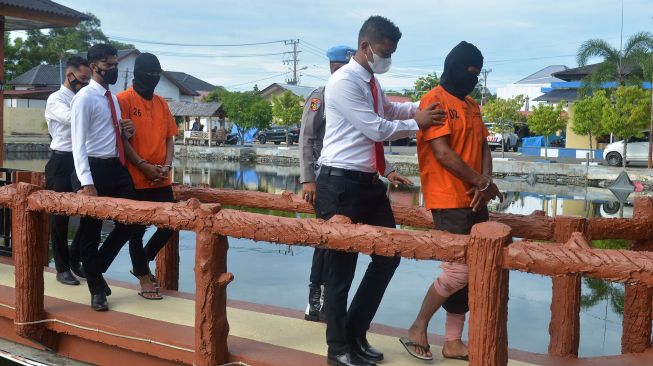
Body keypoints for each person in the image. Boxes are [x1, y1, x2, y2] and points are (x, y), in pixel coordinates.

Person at [315, 16, 446, 366]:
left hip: (369, 184)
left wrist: (420, 107)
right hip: (339, 183)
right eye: (384, 52)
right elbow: (376, 128)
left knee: (389, 254)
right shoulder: (343, 82)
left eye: (391, 53)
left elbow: (389, 110)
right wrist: (415, 124)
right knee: (341, 270)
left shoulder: (371, 81)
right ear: (365, 47)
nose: (386, 58)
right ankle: (337, 348)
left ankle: (356, 334)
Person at [399, 41, 503, 361]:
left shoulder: (472, 104)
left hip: (475, 197)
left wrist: (483, 185)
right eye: (468, 72)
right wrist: (481, 181)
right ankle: (417, 328)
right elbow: (442, 153)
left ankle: (453, 341)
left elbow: (484, 148)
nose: (471, 78)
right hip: (448, 198)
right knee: (459, 272)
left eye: (477, 74)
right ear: (453, 66)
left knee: (472, 273)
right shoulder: (434, 100)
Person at [300, 45, 413, 323]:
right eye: (340, 66)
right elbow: (308, 138)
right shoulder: (323, 95)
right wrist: (308, 178)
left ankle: (336, 317)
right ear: (333, 67)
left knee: (345, 249)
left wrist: (387, 169)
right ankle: (316, 301)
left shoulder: (367, 89)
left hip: (359, 178)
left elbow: (366, 141)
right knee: (326, 244)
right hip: (329, 177)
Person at [70, 43, 138, 311]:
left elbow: (112, 135)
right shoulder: (84, 98)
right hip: (93, 170)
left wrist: (127, 132)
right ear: (94, 66)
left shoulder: (112, 99)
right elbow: (79, 144)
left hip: (116, 168)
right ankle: (97, 289)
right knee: (91, 231)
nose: (113, 69)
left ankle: (93, 267)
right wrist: (87, 182)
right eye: (108, 65)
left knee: (133, 221)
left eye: (115, 65)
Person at [118, 52, 178, 300]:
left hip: (161, 177)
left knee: (172, 223)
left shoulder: (162, 103)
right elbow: (121, 141)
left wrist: (166, 165)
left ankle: (141, 261)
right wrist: (143, 166)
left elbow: (170, 138)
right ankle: (144, 277)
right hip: (136, 176)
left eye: (157, 74)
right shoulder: (123, 101)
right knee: (135, 230)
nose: (153, 78)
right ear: (137, 74)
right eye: (149, 74)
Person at [44, 55, 91, 286]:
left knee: (91, 211)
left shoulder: (83, 96)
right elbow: (73, 119)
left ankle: (75, 257)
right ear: (69, 75)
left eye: (88, 79)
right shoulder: (56, 99)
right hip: (62, 161)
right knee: (59, 217)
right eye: (82, 78)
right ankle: (62, 268)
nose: (84, 82)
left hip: (82, 160)